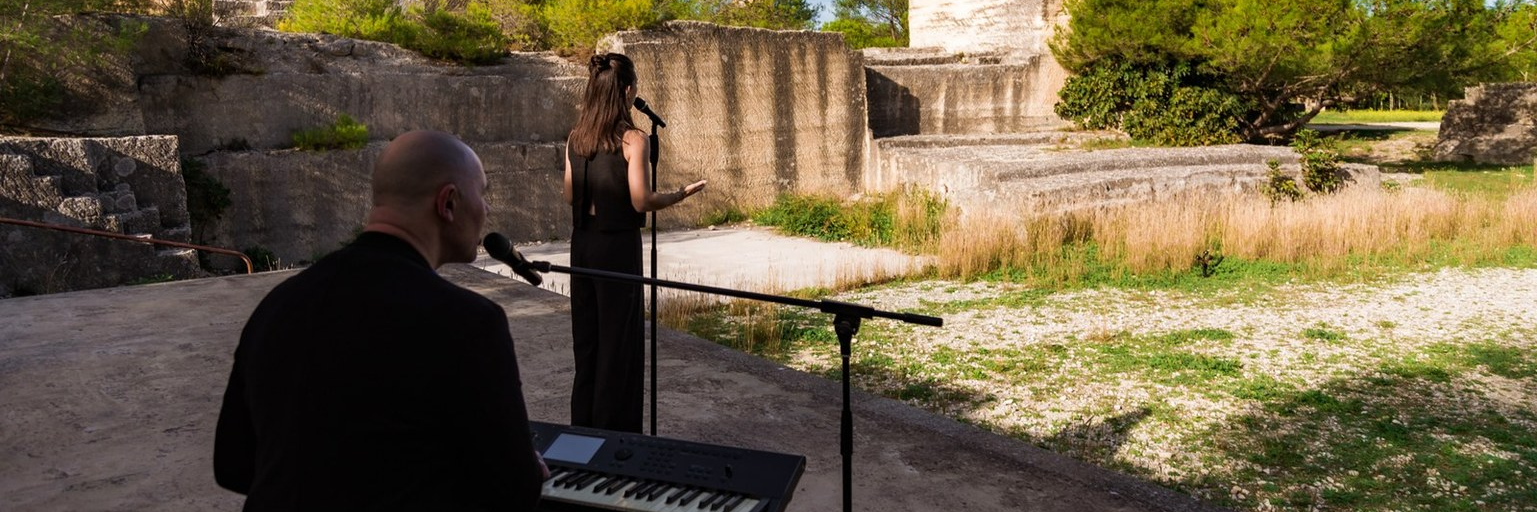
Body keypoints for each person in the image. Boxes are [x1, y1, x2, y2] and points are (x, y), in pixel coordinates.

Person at [214, 130, 548, 510]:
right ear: (449, 203)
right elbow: (513, 488)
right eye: (482, 193)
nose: (486, 210)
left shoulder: (278, 305)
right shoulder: (468, 323)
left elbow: (233, 466)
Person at [563, 52, 705, 433]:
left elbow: (568, 193)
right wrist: (679, 194)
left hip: (582, 244)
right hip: (617, 248)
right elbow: (642, 200)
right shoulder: (633, 139)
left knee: (588, 341)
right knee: (618, 344)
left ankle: (583, 430)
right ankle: (616, 434)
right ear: (627, 91)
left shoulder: (576, 138)